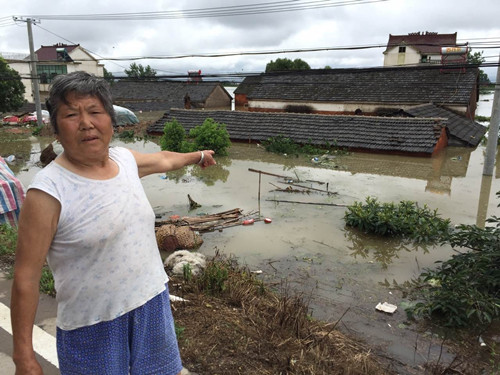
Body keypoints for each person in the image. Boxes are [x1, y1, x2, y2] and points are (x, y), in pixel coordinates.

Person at [10, 71, 216, 375]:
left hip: (151, 303)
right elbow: (26, 278)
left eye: (95, 112)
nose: (86, 123)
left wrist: (198, 155)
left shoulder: (124, 159)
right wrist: (23, 357)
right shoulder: (48, 191)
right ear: (55, 128)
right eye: (71, 114)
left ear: (110, 120)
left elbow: (164, 160)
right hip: (93, 325)